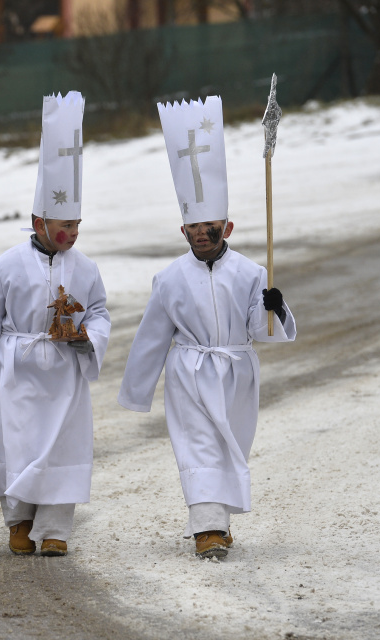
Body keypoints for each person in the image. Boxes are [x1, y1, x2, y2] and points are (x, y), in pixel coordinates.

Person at [117, 96, 296, 559]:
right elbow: (152, 335)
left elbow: (260, 329)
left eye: (210, 224)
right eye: (193, 225)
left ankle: (219, 520)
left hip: (236, 373)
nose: (202, 232)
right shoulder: (171, 278)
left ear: (228, 226)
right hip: (190, 374)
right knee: (197, 448)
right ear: (183, 231)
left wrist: (273, 306)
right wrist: (137, 390)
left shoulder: (253, 272)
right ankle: (208, 529)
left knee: (227, 445)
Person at [0, 91, 110, 557]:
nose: (72, 234)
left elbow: (99, 311)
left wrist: (87, 336)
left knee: (62, 446)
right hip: (18, 371)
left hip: (64, 373)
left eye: (78, 224)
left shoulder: (85, 267)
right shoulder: (5, 265)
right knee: (19, 446)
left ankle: (57, 528)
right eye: (64, 224)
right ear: (38, 220)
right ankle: (20, 522)